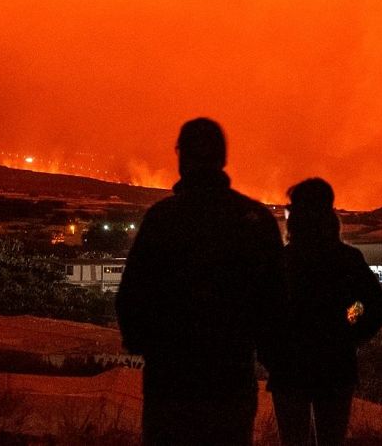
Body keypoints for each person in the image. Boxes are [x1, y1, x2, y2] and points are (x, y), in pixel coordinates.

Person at [115, 118, 289, 446]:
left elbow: (132, 294)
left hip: (170, 380)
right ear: (223, 159)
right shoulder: (253, 221)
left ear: (181, 157)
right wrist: (269, 353)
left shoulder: (163, 219)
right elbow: (276, 301)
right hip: (230, 377)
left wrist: (143, 343)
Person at [270, 178, 382, 446]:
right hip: (335, 367)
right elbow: (374, 307)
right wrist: (349, 332)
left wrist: (273, 353)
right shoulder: (347, 259)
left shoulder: (282, 261)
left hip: (290, 368)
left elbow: (263, 313)